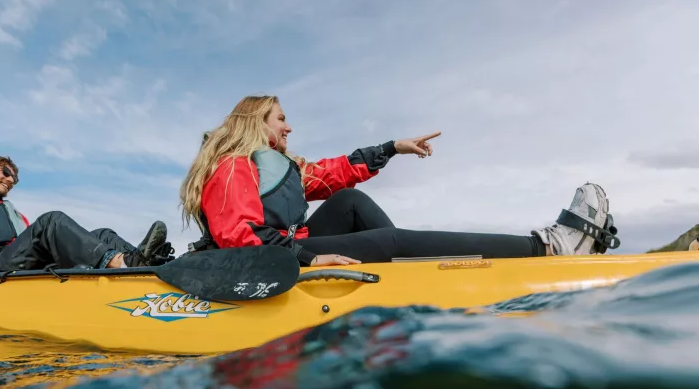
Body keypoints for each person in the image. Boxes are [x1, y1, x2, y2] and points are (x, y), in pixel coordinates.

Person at [178, 95, 620, 266]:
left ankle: (408, 269)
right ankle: (548, 247)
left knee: (349, 199)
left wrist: (391, 148)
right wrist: (311, 260)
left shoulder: (278, 166)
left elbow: (333, 173)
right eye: (281, 118)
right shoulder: (235, 164)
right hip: (272, 261)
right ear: (258, 120)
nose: (289, 127)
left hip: (286, 248)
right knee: (391, 242)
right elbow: (238, 235)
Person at [0, 154, 175, 292]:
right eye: (6, 172)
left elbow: (29, 249)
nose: (11, 180)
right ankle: (126, 265)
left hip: (16, 263)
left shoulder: (18, 217)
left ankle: (152, 270)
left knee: (103, 233)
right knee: (52, 222)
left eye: (15, 177)